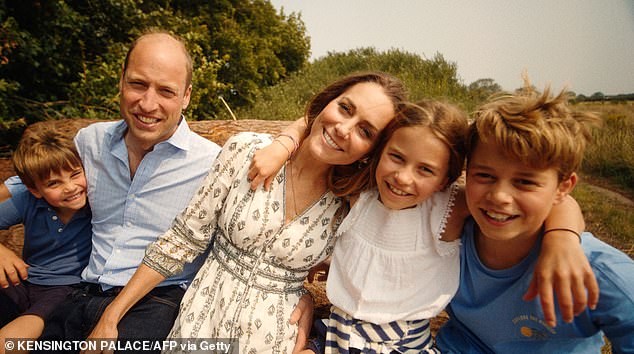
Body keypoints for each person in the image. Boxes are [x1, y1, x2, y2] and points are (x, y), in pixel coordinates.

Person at [85, 71, 408, 353]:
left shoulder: (351, 203)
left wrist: (307, 301)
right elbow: (182, 240)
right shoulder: (247, 150)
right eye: (344, 108)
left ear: (372, 150)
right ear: (327, 102)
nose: (343, 128)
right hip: (200, 325)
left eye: (365, 131)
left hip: (276, 339)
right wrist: (111, 316)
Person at [18, 29, 224, 344]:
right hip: (80, 292)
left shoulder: (213, 164)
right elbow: (27, 184)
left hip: (156, 301)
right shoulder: (89, 142)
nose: (147, 103)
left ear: (186, 96)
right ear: (121, 81)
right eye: (137, 84)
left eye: (166, 91)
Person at [435, 85, 634, 353]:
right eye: (484, 175)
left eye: (525, 182)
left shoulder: (597, 273)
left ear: (563, 187)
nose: (500, 196)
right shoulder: (449, 230)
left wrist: (562, 237)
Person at [0, 126, 92, 352]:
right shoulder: (27, 200)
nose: (70, 188)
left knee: (9, 341)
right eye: (54, 183)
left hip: (66, 289)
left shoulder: (97, 201)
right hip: (24, 279)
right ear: (35, 189)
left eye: (75, 174)